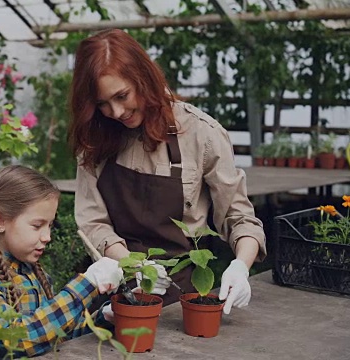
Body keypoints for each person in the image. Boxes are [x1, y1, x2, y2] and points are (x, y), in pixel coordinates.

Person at [68, 29, 266, 315]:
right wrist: (136, 267)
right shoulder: (95, 138)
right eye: (102, 104)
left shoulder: (202, 135)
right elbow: (92, 222)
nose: (116, 111)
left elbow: (239, 217)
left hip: (181, 301)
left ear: (143, 78)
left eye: (122, 95)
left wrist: (240, 266)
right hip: (114, 292)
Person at [0, 165, 124, 358]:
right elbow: (16, 339)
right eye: (37, 226)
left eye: (50, 225)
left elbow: (55, 336)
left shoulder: (32, 271)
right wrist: (87, 284)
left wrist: (106, 316)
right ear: (0, 221)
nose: (47, 237)